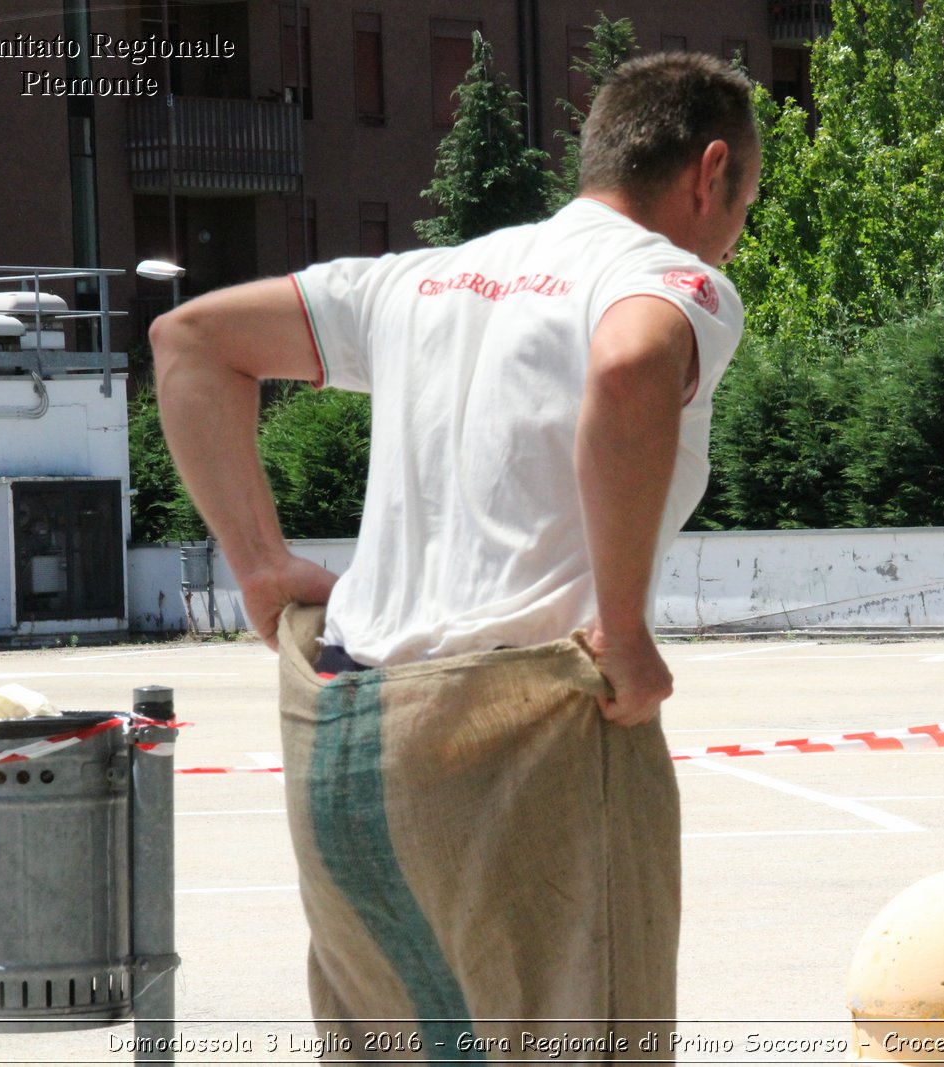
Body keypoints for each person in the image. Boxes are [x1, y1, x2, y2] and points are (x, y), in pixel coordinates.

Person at [151, 51, 759, 1056]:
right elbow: (631, 363)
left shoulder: (419, 278)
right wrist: (620, 624)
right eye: (745, 198)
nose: (738, 226)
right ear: (707, 173)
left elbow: (188, 342)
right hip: (524, 731)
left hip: (349, 736)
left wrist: (259, 563)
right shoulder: (661, 275)